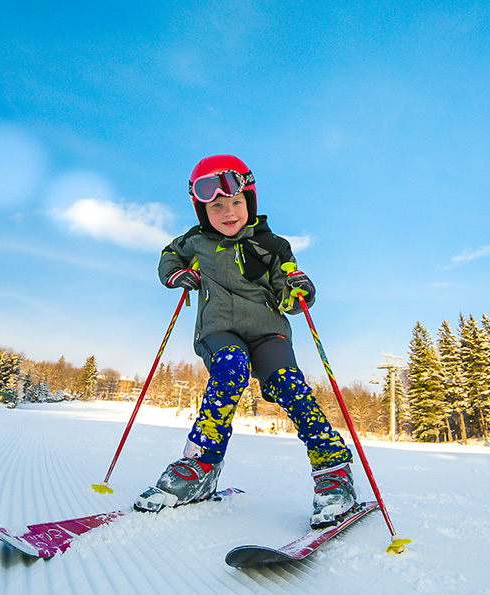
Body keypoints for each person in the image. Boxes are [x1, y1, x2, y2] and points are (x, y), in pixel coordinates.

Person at [134, 154, 355, 528]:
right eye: (217, 206)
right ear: (203, 211)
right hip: (219, 328)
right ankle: (200, 465)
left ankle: (334, 469)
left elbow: (286, 289)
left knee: (290, 386)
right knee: (229, 369)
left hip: (268, 330)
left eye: (236, 202)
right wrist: (176, 274)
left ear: (248, 202)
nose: (229, 212)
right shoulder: (195, 241)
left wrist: (298, 292)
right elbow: (168, 255)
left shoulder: (273, 245)